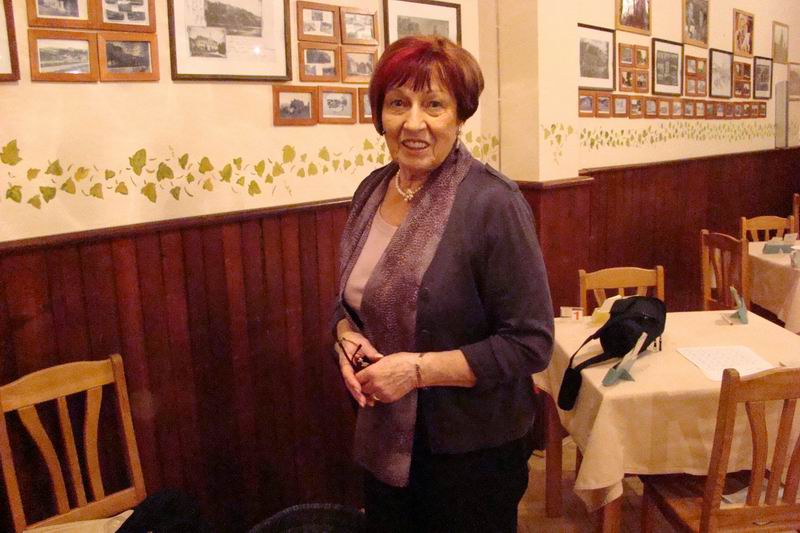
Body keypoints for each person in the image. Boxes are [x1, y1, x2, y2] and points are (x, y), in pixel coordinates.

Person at [332, 35, 554, 533]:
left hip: (471, 453)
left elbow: (530, 343)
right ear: (380, 115)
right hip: (383, 438)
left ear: (460, 114)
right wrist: (344, 338)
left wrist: (415, 371)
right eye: (398, 104)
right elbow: (347, 302)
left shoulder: (493, 204)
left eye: (434, 104)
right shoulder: (371, 190)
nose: (414, 123)